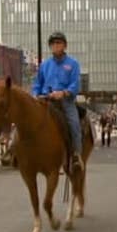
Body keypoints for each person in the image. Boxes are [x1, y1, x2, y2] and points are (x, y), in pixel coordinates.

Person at [32, 31, 84, 171]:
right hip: (45, 100)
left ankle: (76, 155)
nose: (56, 46)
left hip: (65, 101)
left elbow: (75, 84)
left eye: (59, 43)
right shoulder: (44, 65)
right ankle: (17, 153)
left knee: (74, 124)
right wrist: (36, 94)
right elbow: (37, 83)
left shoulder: (73, 64)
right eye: (53, 43)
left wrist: (63, 93)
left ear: (64, 46)